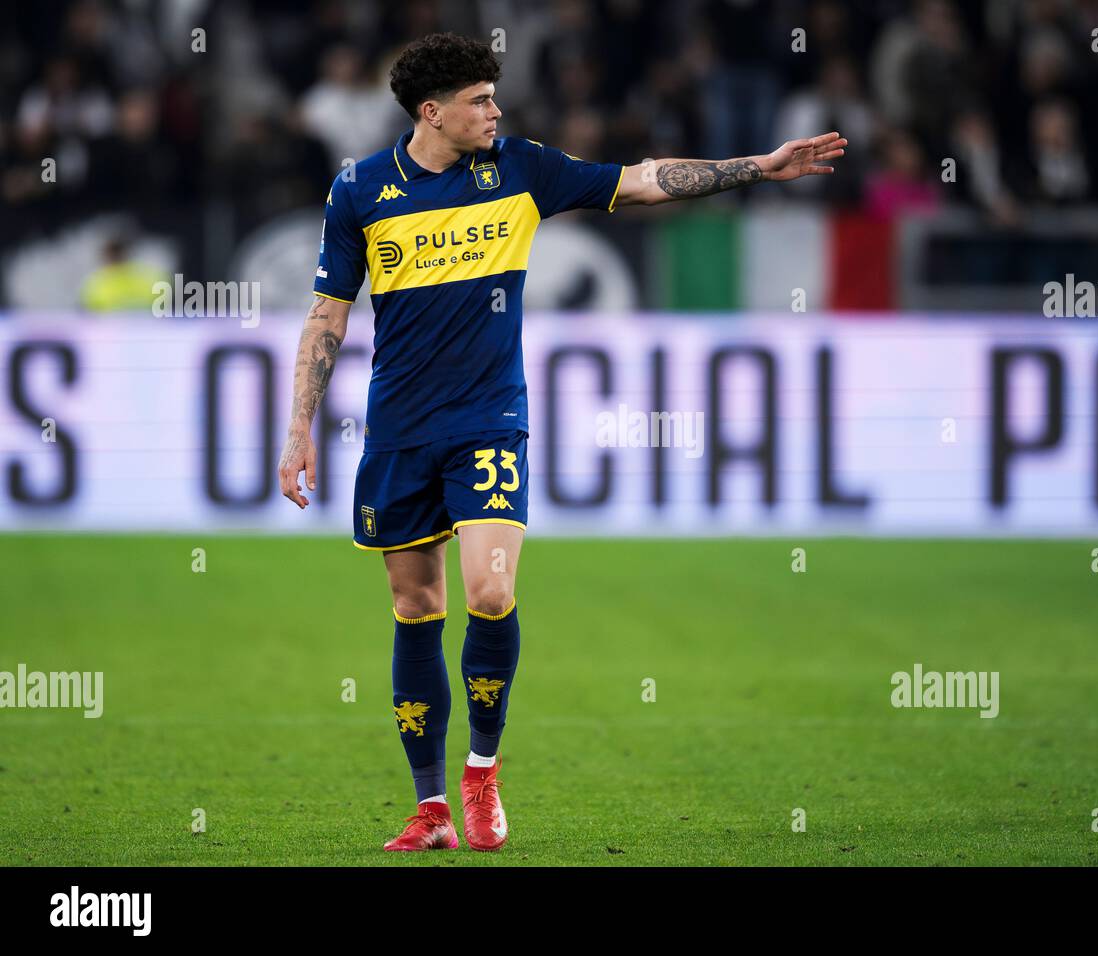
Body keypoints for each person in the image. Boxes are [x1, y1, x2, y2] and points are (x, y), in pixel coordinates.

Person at [276, 31, 845, 853]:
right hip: (400, 428)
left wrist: (758, 165)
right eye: (479, 99)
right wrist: (300, 424)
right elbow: (327, 313)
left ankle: (480, 772)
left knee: (492, 591)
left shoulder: (520, 169)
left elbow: (640, 180)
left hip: (489, 420)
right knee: (413, 608)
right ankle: (430, 807)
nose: (495, 110)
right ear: (431, 112)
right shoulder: (360, 190)